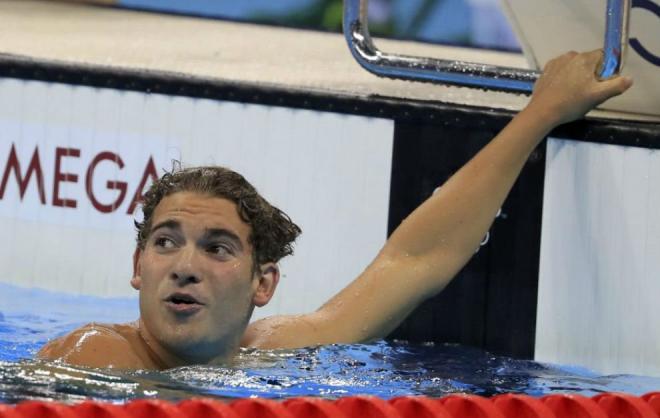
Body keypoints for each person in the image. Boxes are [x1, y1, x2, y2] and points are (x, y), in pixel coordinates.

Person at [38, 50, 632, 370]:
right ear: (138, 266)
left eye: (217, 248)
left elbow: (414, 258)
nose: (184, 266)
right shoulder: (93, 358)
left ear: (263, 283)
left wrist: (541, 113)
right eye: (165, 242)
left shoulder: (279, 351)